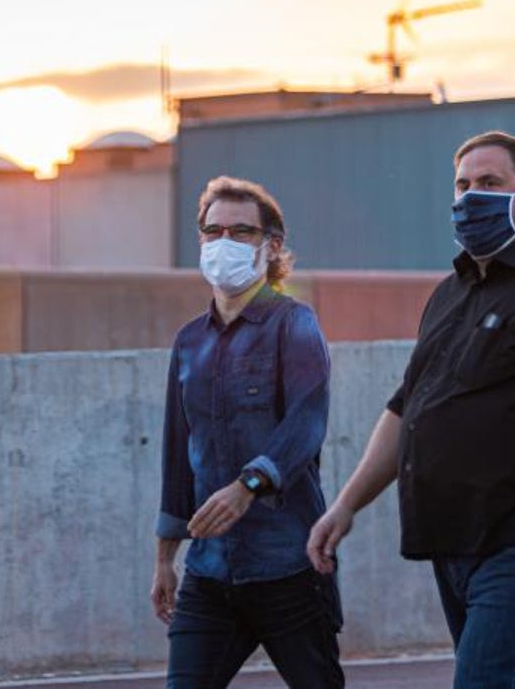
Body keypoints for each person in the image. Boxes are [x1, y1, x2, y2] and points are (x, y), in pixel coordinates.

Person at [307, 130, 515, 689]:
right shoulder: (449, 293)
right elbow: (406, 410)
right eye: (462, 186)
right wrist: (345, 506)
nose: (471, 198)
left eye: (490, 183)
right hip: (454, 541)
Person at [151, 176, 344, 689]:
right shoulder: (189, 342)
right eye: (213, 232)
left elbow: (305, 426)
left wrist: (248, 486)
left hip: (288, 567)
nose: (224, 244)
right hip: (211, 572)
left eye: (240, 232)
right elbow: (177, 454)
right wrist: (166, 558)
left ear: (271, 244)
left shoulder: (294, 325)